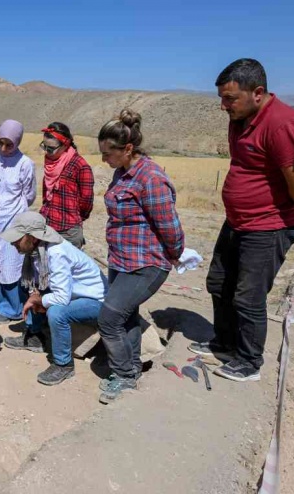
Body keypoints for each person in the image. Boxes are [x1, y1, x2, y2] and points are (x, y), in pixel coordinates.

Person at [190, 59, 294, 382]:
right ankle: (226, 343)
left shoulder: (282, 125)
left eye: (229, 98)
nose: (222, 106)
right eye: (221, 98)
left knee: (248, 295)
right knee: (219, 283)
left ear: (258, 93)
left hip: (268, 226)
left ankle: (249, 361)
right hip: (237, 221)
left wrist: (289, 218)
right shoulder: (241, 117)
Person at [97, 109, 184, 404]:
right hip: (121, 259)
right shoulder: (122, 172)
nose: (104, 160)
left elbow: (169, 226)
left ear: (128, 149)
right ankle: (132, 367)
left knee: (109, 318)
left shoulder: (151, 178)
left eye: (108, 154)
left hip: (146, 263)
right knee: (126, 316)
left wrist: (176, 255)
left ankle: (123, 376)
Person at [1, 212, 107, 386]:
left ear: (33, 238)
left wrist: (38, 300)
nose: (13, 243)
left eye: (17, 239)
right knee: (34, 290)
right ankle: (36, 336)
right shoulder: (38, 251)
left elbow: (62, 298)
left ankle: (64, 364)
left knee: (57, 312)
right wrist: (36, 297)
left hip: (96, 300)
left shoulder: (56, 253)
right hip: (75, 294)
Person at [0, 119, 36, 324]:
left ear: (18, 142)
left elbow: (29, 195)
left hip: (13, 222)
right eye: (0, 142)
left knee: (11, 266)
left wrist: (12, 212)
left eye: (9, 144)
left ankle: (11, 309)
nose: (3, 148)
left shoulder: (25, 163)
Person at [38, 122, 94, 248]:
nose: (47, 152)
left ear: (65, 145)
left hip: (68, 231)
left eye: (51, 148)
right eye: (44, 147)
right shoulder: (50, 162)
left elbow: (86, 201)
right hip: (48, 227)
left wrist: (73, 218)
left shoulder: (80, 166)